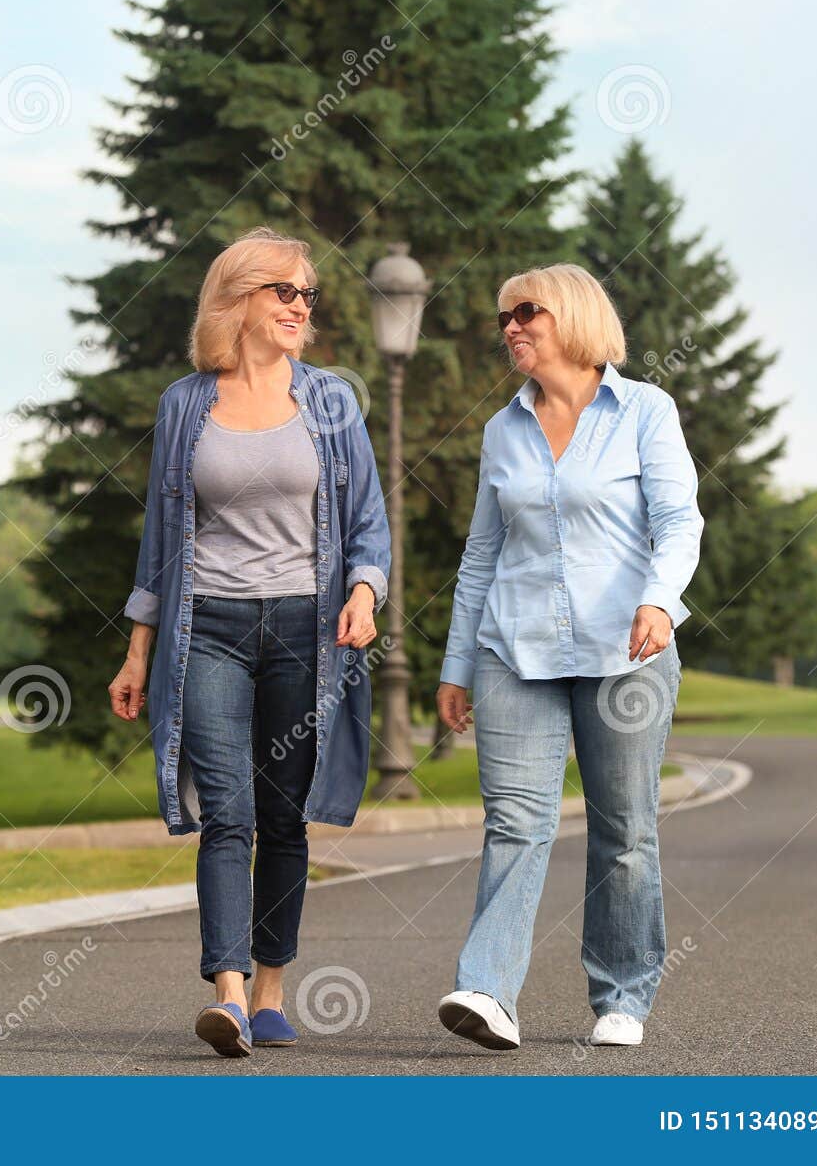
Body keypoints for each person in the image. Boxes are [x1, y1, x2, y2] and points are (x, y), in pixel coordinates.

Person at [109, 226, 390, 1058]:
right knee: (224, 810)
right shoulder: (186, 403)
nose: (302, 307)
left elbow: (368, 521)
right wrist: (136, 651)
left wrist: (366, 593)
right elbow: (161, 540)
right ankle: (227, 991)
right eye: (285, 292)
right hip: (210, 628)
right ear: (239, 301)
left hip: (307, 628)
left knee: (283, 816)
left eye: (308, 294)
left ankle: (272, 988)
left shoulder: (333, 400)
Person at [434, 262, 703, 1051]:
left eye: (527, 311)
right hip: (514, 651)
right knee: (514, 822)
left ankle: (621, 993)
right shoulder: (502, 429)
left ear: (575, 317)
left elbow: (679, 521)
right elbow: (481, 555)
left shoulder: (645, 410)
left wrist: (659, 598)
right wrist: (456, 664)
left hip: (626, 653)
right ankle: (488, 991)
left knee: (624, 828)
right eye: (504, 317)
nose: (511, 327)